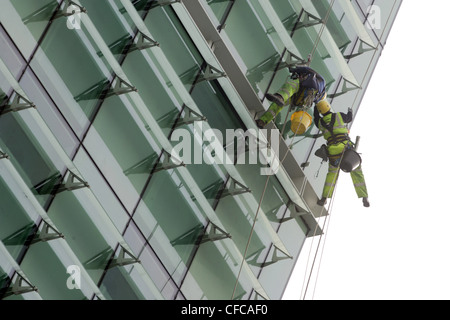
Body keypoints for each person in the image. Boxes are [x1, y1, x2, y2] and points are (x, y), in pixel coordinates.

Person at [313, 100, 370, 208]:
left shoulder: (320, 123)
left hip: (333, 153)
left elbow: (316, 117)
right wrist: (350, 111)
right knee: (357, 172)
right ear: (328, 107)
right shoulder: (338, 116)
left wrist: (316, 107)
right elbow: (349, 118)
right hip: (345, 149)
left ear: (321, 111)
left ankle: (324, 198)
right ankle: (364, 197)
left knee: (331, 176)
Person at [256, 66, 327, 129]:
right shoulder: (316, 98)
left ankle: (280, 97)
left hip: (301, 90)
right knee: (277, 104)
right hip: (298, 99)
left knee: (290, 86)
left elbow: (307, 69)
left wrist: (294, 69)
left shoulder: (321, 81)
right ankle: (263, 121)